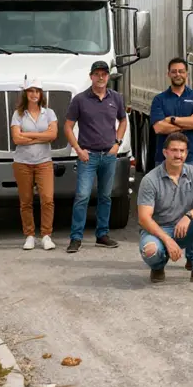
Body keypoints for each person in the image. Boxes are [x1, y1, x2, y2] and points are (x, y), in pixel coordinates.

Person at [137, 132, 193, 284]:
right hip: (159, 231)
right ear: (165, 152)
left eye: (182, 151)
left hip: (183, 228)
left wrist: (188, 216)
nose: (178, 155)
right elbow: (144, 218)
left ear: (186, 153)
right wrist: (167, 240)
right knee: (151, 251)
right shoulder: (150, 180)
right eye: (174, 150)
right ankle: (158, 266)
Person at [149, 57, 193, 270]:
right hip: (163, 158)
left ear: (186, 74)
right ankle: (161, 253)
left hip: (190, 157)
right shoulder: (159, 100)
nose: (178, 74)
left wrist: (172, 120)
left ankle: (192, 257)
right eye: (174, 71)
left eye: (181, 71)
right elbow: (157, 128)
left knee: (191, 206)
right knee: (162, 206)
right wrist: (186, 122)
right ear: (168, 74)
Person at [63, 60, 128, 253]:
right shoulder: (80, 100)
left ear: (108, 77)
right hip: (88, 156)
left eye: (104, 74)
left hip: (108, 155)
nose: (101, 77)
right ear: (91, 76)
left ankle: (102, 234)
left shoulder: (116, 98)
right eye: (97, 74)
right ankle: (76, 238)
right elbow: (67, 126)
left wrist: (117, 143)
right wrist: (78, 149)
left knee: (105, 196)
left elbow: (123, 120)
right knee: (82, 196)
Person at [10, 78, 58, 251]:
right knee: (26, 201)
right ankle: (29, 235)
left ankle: (46, 235)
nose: (34, 94)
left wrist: (27, 135)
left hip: (44, 162)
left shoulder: (49, 113)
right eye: (31, 91)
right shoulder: (18, 114)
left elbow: (52, 135)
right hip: (22, 163)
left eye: (37, 91)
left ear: (41, 94)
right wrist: (40, 136)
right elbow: (16, 138)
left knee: (47, 199)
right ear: (26, 93)